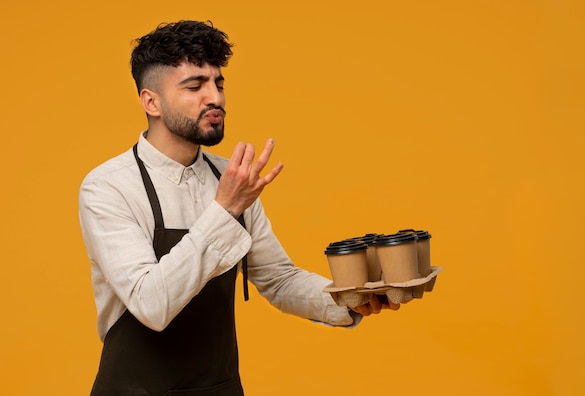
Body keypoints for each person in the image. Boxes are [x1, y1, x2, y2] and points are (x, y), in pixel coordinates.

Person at [79, 20, 398, 395]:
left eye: (219, 83)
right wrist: (224, 209)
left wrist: (350, 298)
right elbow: (151, 304)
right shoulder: (108, 187)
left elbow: (279, 279)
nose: (214, 97)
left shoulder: (229, 178)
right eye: (195, 86)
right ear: (151, 102)